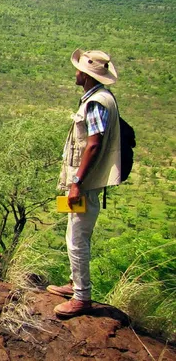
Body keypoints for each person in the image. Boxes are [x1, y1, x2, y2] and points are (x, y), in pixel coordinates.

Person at [47, 49, 123, 319]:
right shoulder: (101, 98)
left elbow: (93, 144)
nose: (76, 72)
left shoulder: (95, 103)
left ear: (87, 75)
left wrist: (77, 181)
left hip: (86, 184)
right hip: (87, 182)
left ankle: (82, 297)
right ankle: (73, 284)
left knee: (77, 239)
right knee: (75, 234)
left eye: (79, 69)